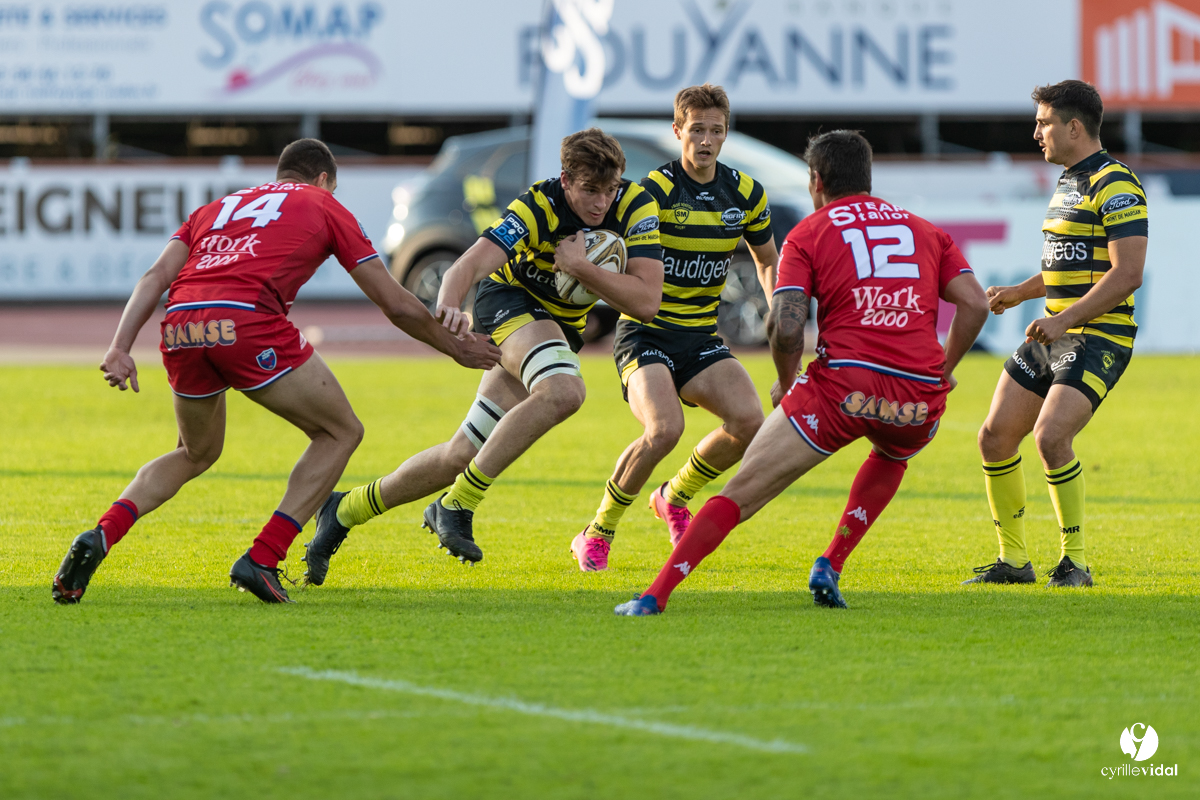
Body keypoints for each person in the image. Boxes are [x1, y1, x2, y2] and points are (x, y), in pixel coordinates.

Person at [51, 138, 502, 606]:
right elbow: (395, 304)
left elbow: (154, 278)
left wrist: (120, 347)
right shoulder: (325, 205)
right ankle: (263, 557)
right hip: (246, 322)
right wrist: (453, 346)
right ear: (325, 179)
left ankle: (101, 534)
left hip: (181, 325)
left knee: (193, 452)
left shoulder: (215, 208)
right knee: (340, 432)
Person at [614, 130, 989, 615]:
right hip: (917, 398)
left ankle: (653, 597)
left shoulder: (810, 232)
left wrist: (789, 384)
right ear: (867, 179)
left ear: (816, 181)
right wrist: (943, 368)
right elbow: (975, 304)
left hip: (841, 388)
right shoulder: (925, 230)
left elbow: (786, 325)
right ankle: (831, 563)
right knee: (893, 454)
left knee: (739, 495)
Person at [302, 128, 663, 583]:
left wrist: (579, 267)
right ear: (566, 179)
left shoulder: (635, 205)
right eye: (590, 190)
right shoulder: (539, 205)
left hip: (555, 330)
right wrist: (449, 304)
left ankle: (343, 509)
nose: (601, 203)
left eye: (610, 190)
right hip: (510, 304)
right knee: (564, 390)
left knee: (460, 454)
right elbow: (466, 266)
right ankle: (458, 504)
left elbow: (647, 302)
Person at [571, 84, 779, 572]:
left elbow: (768, 260)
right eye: (697, 129)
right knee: (665, 429)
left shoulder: (745, 193)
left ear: (726, 134)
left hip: (699, 337)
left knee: (750, 423)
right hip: (645, 333)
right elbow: (611, 252)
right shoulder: (651, 192)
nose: (706, 140)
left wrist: (777, 309)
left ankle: (674, 496)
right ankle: (597, 530)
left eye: (716, 131)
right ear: (677, 131)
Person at [964, 81, 1147, 589]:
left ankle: (1076, 565)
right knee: (995, 437)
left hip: (1097, 335)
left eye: (1044, 123)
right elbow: (1067, 265)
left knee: (1050, 436)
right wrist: (1022, 292)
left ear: (1074, 127)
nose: (1036, 132)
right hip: (1055, 334)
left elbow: (1127, 272)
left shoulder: (1117, 184)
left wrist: (1064, 320)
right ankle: (1014, 562)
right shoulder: (1069, 182)